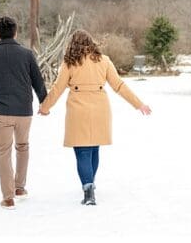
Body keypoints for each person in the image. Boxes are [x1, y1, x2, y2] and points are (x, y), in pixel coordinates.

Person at [38, 30, 152, 205]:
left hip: (78, 111)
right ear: (91, 43)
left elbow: (57, 88)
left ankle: (88, 188)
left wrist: (45, 107)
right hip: (100, 108)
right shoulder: (104, 60)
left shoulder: (69, 63)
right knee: (93, 149)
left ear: (72, 44)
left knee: (82, 151)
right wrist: (139, 104)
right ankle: (90, 184)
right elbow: (119, 86)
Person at [0, 16, 47, 210]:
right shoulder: (27, 54)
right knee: (23, 147)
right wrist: (44, 103)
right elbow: (38, 83)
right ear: (15, 32)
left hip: (1, 112)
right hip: (24, 111)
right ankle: (20, 188)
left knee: (4, 153)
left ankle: (8, 198)